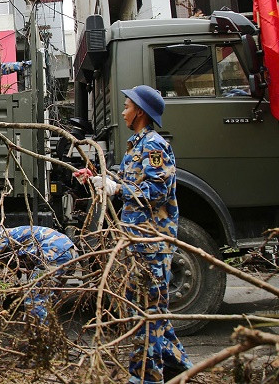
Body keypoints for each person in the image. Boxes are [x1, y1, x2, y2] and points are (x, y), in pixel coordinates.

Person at [77, 85, 192, 383]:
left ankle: (145, 377)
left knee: (147, 313)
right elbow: (131, 181)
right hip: (138, 239)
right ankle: (182, 366)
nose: (124, 111)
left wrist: (118, 189)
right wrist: (100, 178)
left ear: (140, 111)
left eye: (127, 106)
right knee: (153, 310)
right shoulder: (136, 145)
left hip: (152, 240)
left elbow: (157, 190)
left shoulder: (153, 146)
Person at [0, 222, 77, 322]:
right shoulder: (14, 235)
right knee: (48, 299)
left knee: (34, 297)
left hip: (54, 253)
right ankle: (51, 337)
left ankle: (38, 341)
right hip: (69, 252)